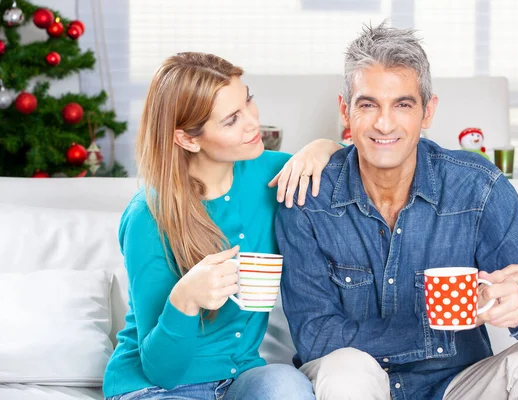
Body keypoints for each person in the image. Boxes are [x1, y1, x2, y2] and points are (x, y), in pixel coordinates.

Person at [275, 23, 518, 400]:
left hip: (459, 386)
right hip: (357, 384)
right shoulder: (307, 195)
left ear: (427, 111)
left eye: (402, 104)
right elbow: (317, 337)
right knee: (346, 368)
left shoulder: (475, 187)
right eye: (368, 105)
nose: (384, 123)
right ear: (345, 111)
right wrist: (438, 330)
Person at [103, 52, 343, 400]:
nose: (252, 123)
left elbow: (347, 166)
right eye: (231, 119)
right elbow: (161, 370)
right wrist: (184, 300)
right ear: (187, 139)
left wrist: (322, 147)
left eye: (248, 101)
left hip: (239, 380)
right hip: (155, 387)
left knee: (286, 385)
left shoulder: (271, 174)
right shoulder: (149, 216)